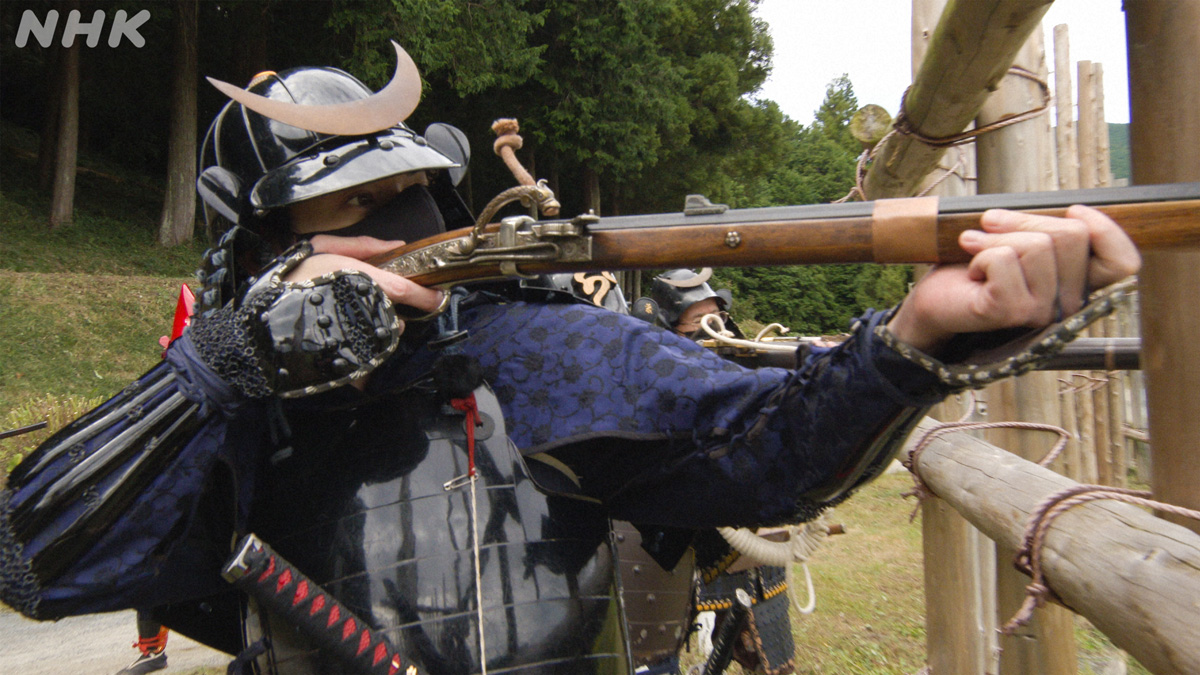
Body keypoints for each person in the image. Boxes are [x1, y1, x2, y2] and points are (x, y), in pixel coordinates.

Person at [0, 43, 1140, 674]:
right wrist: (224, 369)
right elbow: (29, 562)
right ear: (258, 249)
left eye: (404, 196)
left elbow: (773, 453)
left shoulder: (529, 347)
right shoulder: (229, 400)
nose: (391, 227)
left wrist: (919, 341)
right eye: (345, 208)